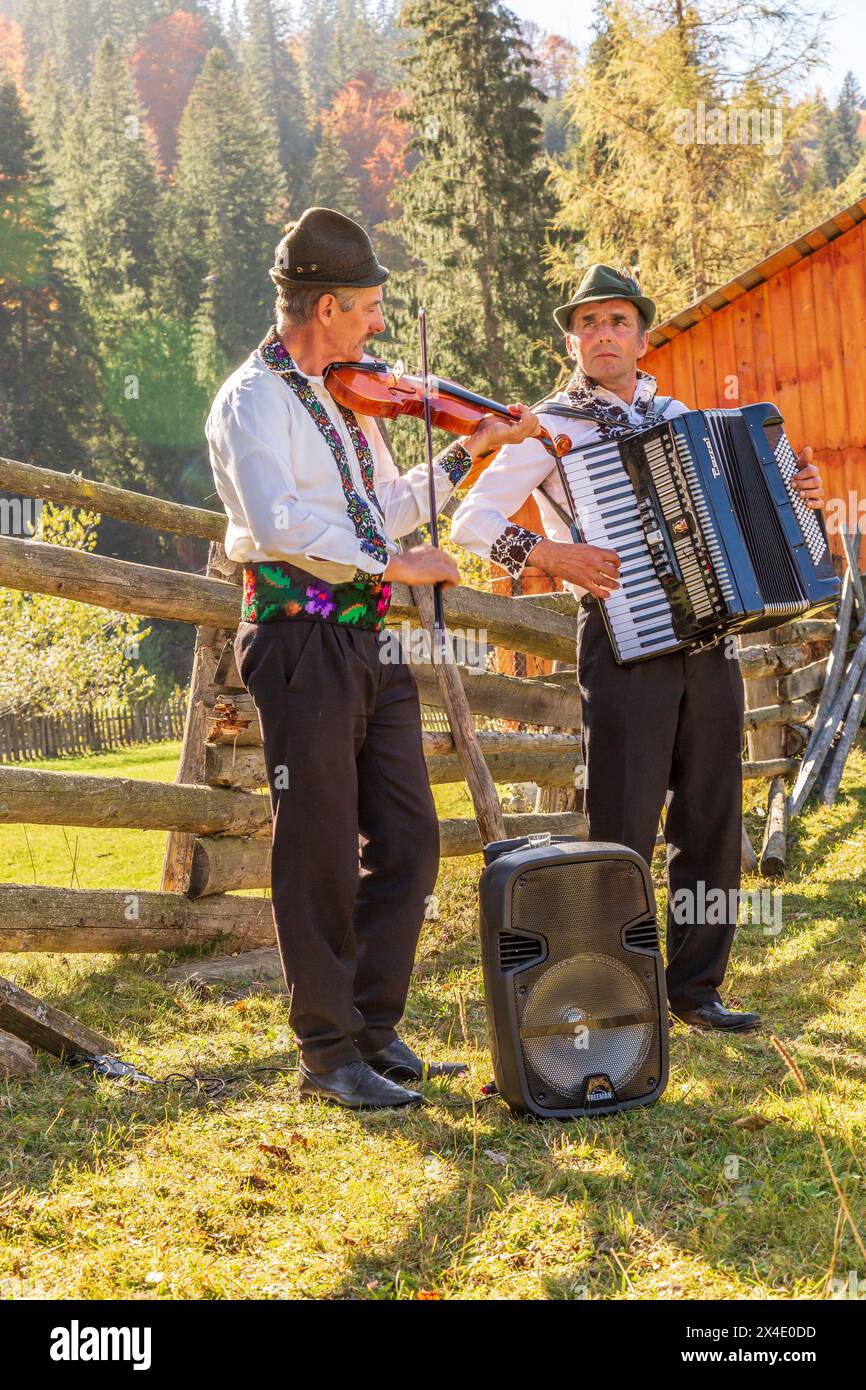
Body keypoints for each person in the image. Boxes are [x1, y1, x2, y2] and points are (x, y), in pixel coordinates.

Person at [205, 207, 540, 1108]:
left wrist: (468, 454)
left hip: (369, 636)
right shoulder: (252, 400)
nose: (380, 326)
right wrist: (394, 564)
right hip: (297, 635)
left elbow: (385, 507)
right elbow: (279, 524)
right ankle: (327, 1052)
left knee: (409, 837)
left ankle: (373, 1029)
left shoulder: (347, 400)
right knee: (317, 844)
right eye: (369, 308)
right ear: (326, 308)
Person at [451, 264, 824, 1032]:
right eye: (588, 324)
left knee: (711, 815)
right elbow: (471, 520)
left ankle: (696, 988)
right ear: (572, 342)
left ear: (642, 337)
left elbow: (749, 503)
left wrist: (800, 494)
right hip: (623, 643)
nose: (603, 335)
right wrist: (552, 555)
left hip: (709, 641)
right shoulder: (551, 426)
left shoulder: (679, 415)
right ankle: (617, 993)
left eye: (617, 321)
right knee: (624, 820)